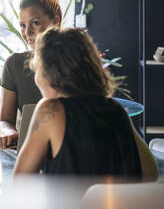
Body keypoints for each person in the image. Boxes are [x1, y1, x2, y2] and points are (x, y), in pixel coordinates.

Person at [13, 28, 141, 178]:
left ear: (51, 75)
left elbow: (20, 181)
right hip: (111, 202)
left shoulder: (50, 110)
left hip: (67, 202)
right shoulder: (116, 111)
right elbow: (148, 172)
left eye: (38, 70)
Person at [0, 0, 62, 149]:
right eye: (22, 25)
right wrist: (9, 133)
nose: (27, 32)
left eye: (35, 23)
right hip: (28, 148)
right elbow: (4, 121)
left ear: (55, 21)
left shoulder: (73, 62)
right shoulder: (14, 64)